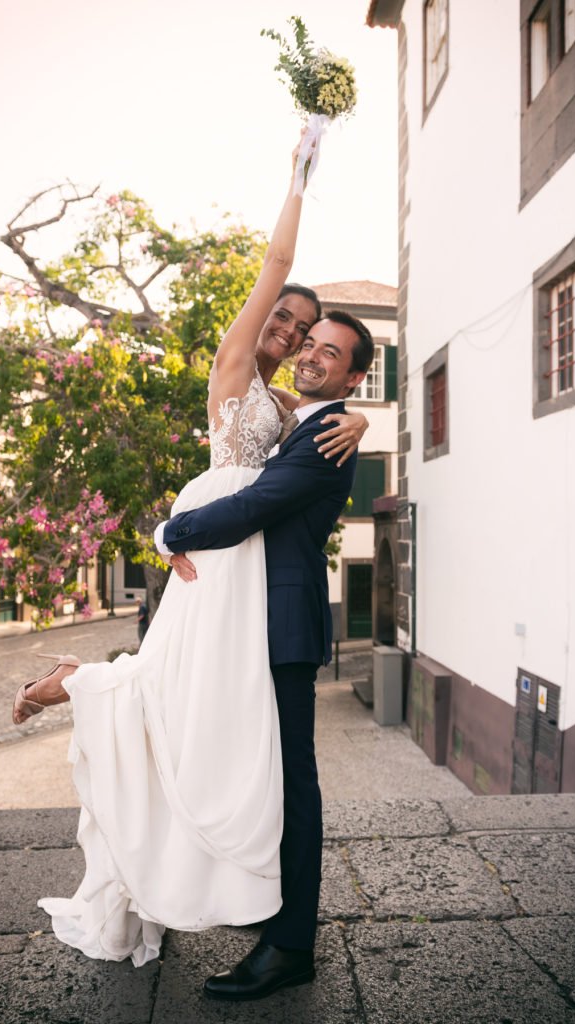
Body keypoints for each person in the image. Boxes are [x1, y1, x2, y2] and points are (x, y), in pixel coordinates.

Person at [10, 134, 368, 968]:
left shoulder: (297, 403)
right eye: (283, 319)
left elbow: (309, 446)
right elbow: (275, 263)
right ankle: (68, 684)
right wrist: (298, 180)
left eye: (305, 328)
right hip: (216, 537)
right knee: (170, 691)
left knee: (197, 707)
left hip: (245, 557)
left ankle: (74, 689)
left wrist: (357, 417)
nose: (289, 331)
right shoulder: (235, 367)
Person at [156, 310, 374, 1001]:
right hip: (258, 617)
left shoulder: (327, 438)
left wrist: (168, 530)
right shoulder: (305, 422)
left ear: (356, 377)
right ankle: (275, 917)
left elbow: (254, 506)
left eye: (330, 352)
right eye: (309, 344)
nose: (311, 356)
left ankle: (289, 948)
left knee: (292, 785)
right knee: (266, 773)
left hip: (282, 624)